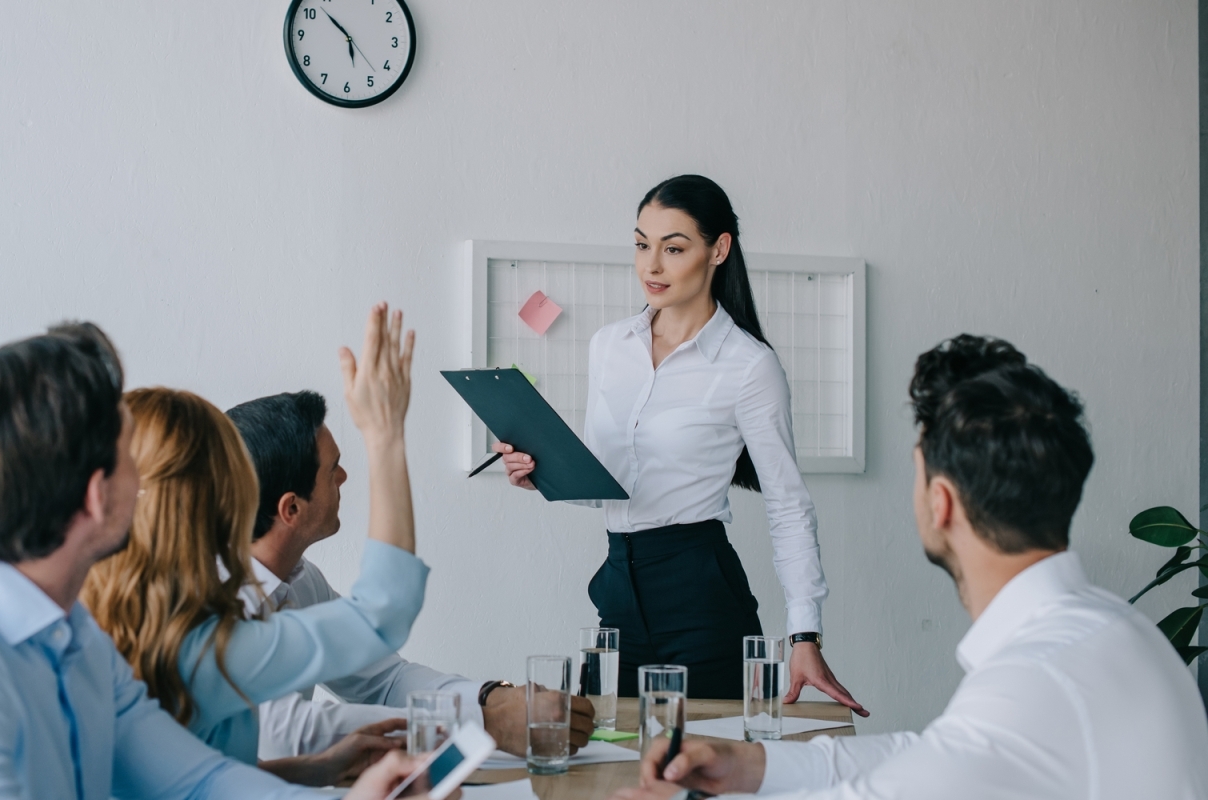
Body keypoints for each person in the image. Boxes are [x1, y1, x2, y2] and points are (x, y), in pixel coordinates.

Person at [0, 321, 438, 800]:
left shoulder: (76, 643)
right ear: (100, 496)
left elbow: (195, 782)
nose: (150, 484)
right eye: (133, 458)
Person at [621, 334, 1208, 799]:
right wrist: (751, 763)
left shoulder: (1037, 678)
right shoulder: (1104, 628)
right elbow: (934, 756)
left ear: (941, 500)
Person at [496, 175, 863, 712]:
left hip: (701, 597)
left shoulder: (749, 366)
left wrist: (804, 636)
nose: (652, 265)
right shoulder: (609, 346)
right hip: (618, 592)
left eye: (673, 248)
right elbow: (614, 490)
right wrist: (542, 474)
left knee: (703, 777)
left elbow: (788, 505)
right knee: (609, 765)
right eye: (642, 245)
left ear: (719, 249)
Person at [81, 304, 430, 783]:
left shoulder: (122, 619)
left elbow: (191, 781)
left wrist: (315, 769)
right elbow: (381, 614)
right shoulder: (200, 643)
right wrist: (385, 434)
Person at [225, 390, 595, 761]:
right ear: (291, 508)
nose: (344, 475)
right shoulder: (214, 599)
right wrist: (487, 724)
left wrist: (494, 698)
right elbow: (281, 735)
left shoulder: (301, 579)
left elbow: (383, 680)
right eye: (331, 469)